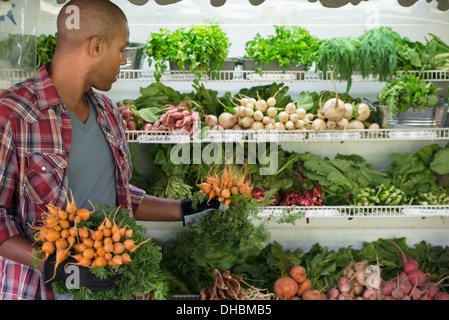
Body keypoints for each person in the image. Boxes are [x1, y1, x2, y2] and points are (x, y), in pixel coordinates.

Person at [0, 0, 218, 300]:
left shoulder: (108, 112)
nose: (124, 60)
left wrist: (186, 209)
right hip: (40, 291)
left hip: (116, 288)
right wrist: (56, 266)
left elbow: (119, 195)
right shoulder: (13, 114)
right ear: (96, 46)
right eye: (121, 49)